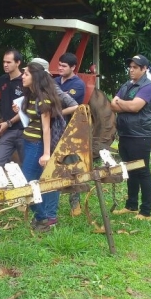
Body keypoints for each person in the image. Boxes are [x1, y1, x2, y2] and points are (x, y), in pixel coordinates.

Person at [110, 55, 151, 221]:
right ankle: (131, 206)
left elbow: (135, 106)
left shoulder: (149, 87)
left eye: (135, 67)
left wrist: (121, 103)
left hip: (140, 135)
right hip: (125, 133)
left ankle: (146, 211)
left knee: (142, 171)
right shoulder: (127, 85)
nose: (131, 69)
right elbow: (112, 105)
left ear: (144, 69)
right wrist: (126, 106)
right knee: (129, 169)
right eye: (130, 66)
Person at [16, 62, 63, 232]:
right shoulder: (31, 96)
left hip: (37, 145)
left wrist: (46, 154)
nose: (22, 76)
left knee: (27, 183)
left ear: (34, 77)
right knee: (32, 182)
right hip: (28, 142)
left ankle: (43, 219)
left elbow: (46, 128)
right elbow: (31, 121)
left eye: (26, 74)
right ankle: (42, 217)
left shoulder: (44, 98)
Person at [54, 53, 87, 215]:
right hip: (54, 131)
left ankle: (75, 204)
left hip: (71, 132)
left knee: (72, 166)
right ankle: (51, 200)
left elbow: (60, 101)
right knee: (53, 166)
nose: (60, 68)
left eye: (64, 66)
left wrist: (55, 106)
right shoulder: (55, 81)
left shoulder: (78, 85)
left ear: (73, 67)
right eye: (59, 65)